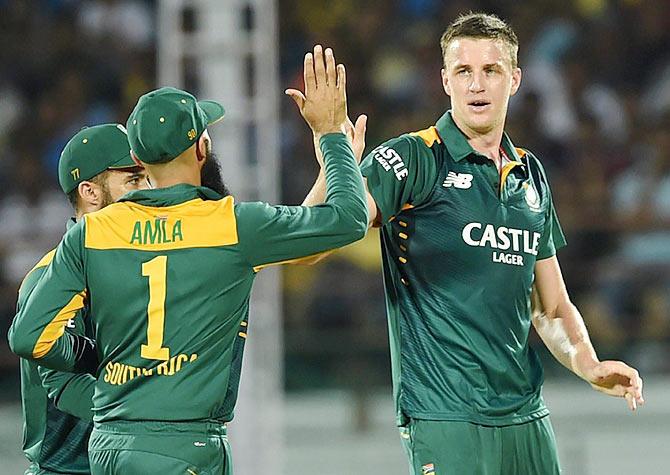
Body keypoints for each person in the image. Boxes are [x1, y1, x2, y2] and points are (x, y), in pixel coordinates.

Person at [295, 14, 644, 474]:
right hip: (447, 417)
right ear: (445, 81)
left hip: (526, 417)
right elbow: (310, 243)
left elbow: (551, 308)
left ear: (515, 79)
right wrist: (332, 148)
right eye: (464, 71)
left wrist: (588, 361)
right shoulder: (413, 158)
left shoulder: (530, 176)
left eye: (491, 71)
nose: (477, 85)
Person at [9, 45, 368, 474]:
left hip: (108, 447)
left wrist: (114, 379)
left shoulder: (90, 238)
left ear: (142, 159)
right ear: (203, 148)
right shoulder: (226, 226)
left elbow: (28, 338)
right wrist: (331, 139)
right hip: (156, 448)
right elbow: (344, 221)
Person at [16, 123, 149, 475]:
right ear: (90, 191)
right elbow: (66, 386)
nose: (146, 191)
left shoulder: (145, 263)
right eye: (133, 180)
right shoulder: (49, 278)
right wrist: (151, 414)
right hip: (68, 468)